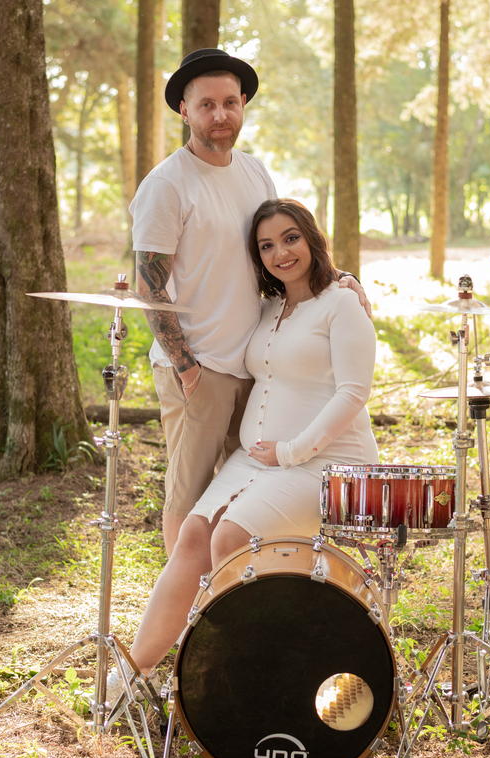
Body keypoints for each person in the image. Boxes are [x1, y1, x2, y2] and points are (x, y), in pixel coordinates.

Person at [130, 48, 369, 565]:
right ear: (185, 111)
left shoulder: (255, 174)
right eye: (207, 105)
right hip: (201, 367)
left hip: (259, 366)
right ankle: (190, 615)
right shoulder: (167, 185)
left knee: (241, 499)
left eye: (230, 103)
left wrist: (339, 277)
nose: (221, 116)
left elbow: (279, 254)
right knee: (189, 497)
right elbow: (149, 285)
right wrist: (187, 368)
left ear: (243, 106)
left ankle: (241, 597)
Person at [128, 199, 378, 673]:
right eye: (266, 245)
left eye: (290, 238)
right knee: (194, 536)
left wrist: (291, 450)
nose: (281, 252)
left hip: (325, 463)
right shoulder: (268, 309)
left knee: (231, 539)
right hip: (258, 457)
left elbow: (353, 392)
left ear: (311, 239)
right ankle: (133, 671)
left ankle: (245, 670)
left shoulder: (343, 303)